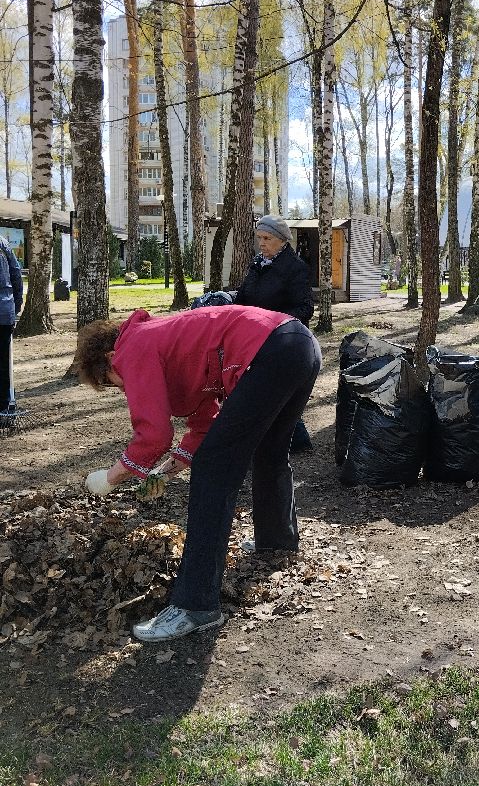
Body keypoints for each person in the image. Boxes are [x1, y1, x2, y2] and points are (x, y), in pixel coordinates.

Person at [75, 305, 322, 642]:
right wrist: (168, 468)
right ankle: (277, 538)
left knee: (213, 468)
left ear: (109, 357)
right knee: (269, 451)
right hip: (296, 343)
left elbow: (154, 434)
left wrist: (110, 477)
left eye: (109, 381)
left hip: (267, 350)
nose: (119, 388)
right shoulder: (165, 344)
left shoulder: (133, 348)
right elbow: (205, 421)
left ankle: (196, 605)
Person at [195, 214, 316, 453]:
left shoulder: (295, 268)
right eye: (259, 237)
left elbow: (305, 308)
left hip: (282, 340)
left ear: (282, 240)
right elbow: (245, 298)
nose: (261, 243)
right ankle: (275, 440)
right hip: (251, 340)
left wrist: (274, 325)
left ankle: (293, 440)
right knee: (260, 391)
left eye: (267, 238)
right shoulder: (258, 264)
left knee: (275, 392)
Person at [0, 234, 23, 422]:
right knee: (3, 364)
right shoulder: (3, 243)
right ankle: (6, 407)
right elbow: (16, 275)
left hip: (4, 310)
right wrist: (15, 306)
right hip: (4, 311)